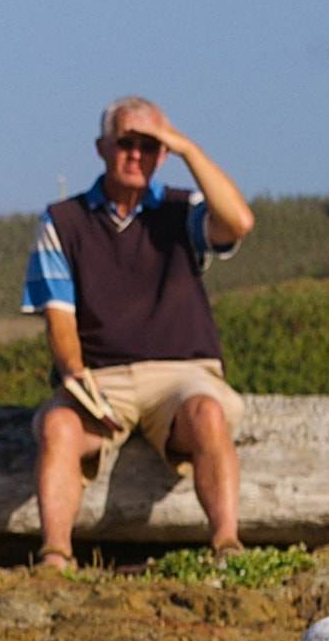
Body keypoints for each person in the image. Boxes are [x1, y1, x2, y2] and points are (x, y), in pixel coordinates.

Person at [21, 96, 255, 570]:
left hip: (182, 371)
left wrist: (186, 147)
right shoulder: (62, 223)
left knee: (208, 413)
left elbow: (238, 221)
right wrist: (74, 375)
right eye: (126, 143)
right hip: (101, 375)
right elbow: (58, 317)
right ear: (102, 148)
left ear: (164, 153)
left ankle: (227, 546)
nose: (136, 155)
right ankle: (55, 554)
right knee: (58, 425)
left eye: (150, 146)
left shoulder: (182, 210)